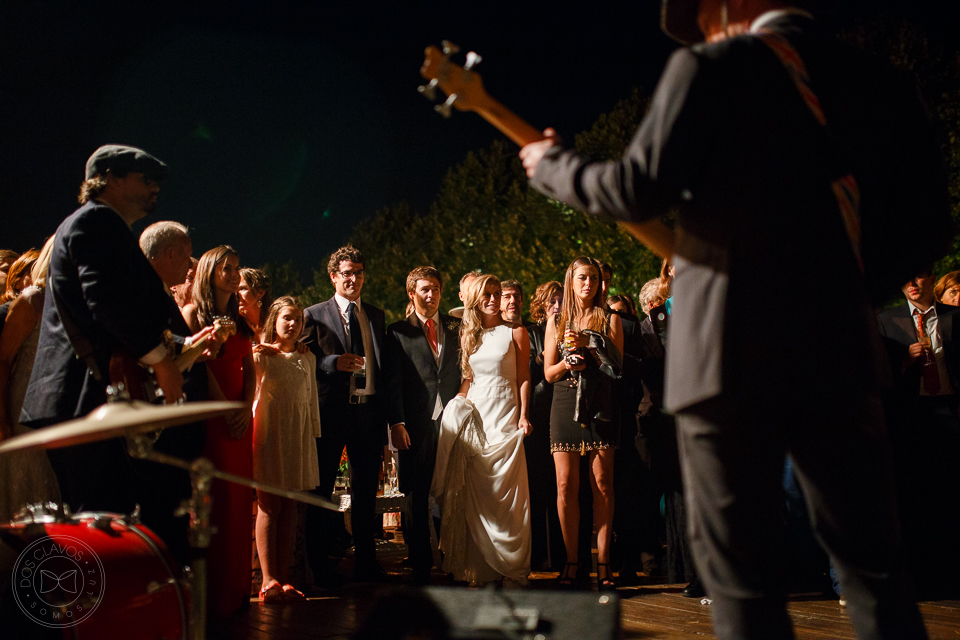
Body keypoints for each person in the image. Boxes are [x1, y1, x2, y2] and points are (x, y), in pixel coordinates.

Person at [520, 1, 949, 636]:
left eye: (703, 18)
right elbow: (930, 223)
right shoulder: (877, 78)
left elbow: (636, 188)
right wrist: (841, 290)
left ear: (726, 5)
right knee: (874, 569)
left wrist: (552, 167)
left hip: (725, 356)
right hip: (840, 352)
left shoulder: (712, 65)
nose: (706, 32)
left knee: (743, 581)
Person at [21, 145, 184, 517]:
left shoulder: (100, 224)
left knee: (104, 514)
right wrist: (161, 362)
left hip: (85, 394)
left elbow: (109, 315)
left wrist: (181, 344)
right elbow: (106, 303)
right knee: (98, 519)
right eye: (145, 178)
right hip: (81, 395)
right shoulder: (96, 221)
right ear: (110, 178)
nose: (155, 187)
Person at [432, 274, 532, 586]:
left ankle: (510, 566)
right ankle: (480, 567)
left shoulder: (515, 332)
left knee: (506, 495)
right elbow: (468, 379)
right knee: (477, 493)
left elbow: (524, 376)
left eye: (496, 293)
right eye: (486, 294)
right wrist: (456, 405)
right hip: (477, 417)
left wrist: (524, 415)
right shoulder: (468, 334)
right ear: (476, 299)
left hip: (505, 415)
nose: (492, 299)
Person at [301, 244, 388, 583]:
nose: (354, 279)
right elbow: (304, 359)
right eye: (347, 273)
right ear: (334, 277)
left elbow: (383, 369)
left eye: (359, 273)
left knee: (366, 494)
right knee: (322, 492)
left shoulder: (376, 315)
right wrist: (331, 363)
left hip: (367, 415)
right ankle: (319, 567)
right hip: (331, 414)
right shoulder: (314, 314)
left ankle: (367, 564)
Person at [877, 271, 960, 598]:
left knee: (951, 493)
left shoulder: (953, 316)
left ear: (929, 280)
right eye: (905, 280)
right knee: (914, 495)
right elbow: (878, 372)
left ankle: (951, 573)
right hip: (910, 418)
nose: (912, 284)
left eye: (919, 277)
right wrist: (903, 362)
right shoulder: (886, 318)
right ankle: (921, 577)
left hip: (950, 410)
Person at [542, 257, 623, 590]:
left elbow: (617, 368)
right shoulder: (557, 320)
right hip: (564, 402)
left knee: (602, 484)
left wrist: (592, 345)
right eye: (581, 278)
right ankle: (572, 562)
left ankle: (604, 566)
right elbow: (548, 373)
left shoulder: (610, 318)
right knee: (565, 486)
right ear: (570, 281)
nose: (587, 283)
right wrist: (566, 362)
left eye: (592, 278)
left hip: (600, 405)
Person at [184, 245, 256, 617]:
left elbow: (251, 369)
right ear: (209, 271)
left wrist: (245, 406)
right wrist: (225, 409)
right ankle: (212, 596)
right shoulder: (193, 314)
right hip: (212, 416)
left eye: (236, 267)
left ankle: (239, 589)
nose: (233, 273)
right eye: (226, 267)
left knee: (240, 502)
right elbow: (200, 368)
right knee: (217, 502)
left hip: (241, 417)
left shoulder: (239, 317)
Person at [138, 220, 215, 564]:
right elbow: (143, 340)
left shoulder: (155, 290)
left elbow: (167, 338)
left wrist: (193, 343)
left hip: (172, 417)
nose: (189, 268)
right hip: (155, 419)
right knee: (161, 508)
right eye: (186, 258)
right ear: (169, 254)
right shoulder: (142, 290)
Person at [384, 266, 462, 585]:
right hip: (414, 422)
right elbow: (393, 382)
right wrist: (397, 422)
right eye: (424, 289)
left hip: (454, 419)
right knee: (415, 493)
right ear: (411, 293)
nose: (430, 295)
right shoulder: (398, 332)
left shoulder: (457, 327)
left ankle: (452, 557)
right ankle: (419, 562)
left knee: (453, 489)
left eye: (435, 289)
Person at [252, 296, 321, 602]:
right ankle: (268, 580)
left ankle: (285, 579)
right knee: (269, 505)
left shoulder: (307, 357)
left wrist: (313, 433)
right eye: (286, 318)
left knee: (291, 506)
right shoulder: (262, 355)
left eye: (297, 320)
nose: (292, 325)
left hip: (298, 434)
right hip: (270, 433)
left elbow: (311, 400)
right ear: (274, 321)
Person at [0, 238, 60, 521]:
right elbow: (2, 360)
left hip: (51, 402)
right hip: (24, 402)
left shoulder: (67, 301)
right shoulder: (32, 299)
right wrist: (1, 419)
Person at [526, 280, 565, 570]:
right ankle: (539, 554)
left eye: (561, 300)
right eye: (551, 300)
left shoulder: (569, 326)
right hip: (539, 411)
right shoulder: (528, 331)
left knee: (561, 487)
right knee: (539, 487)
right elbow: (528, 369)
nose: (557, 305)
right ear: (541, 303)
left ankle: (563, 555)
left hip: (563, 407)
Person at [239, 267, 272, 340]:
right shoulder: (236, 322)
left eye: (242, 289)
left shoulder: (273, 323)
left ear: (261, 292)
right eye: (235, 289)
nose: (236, 294)